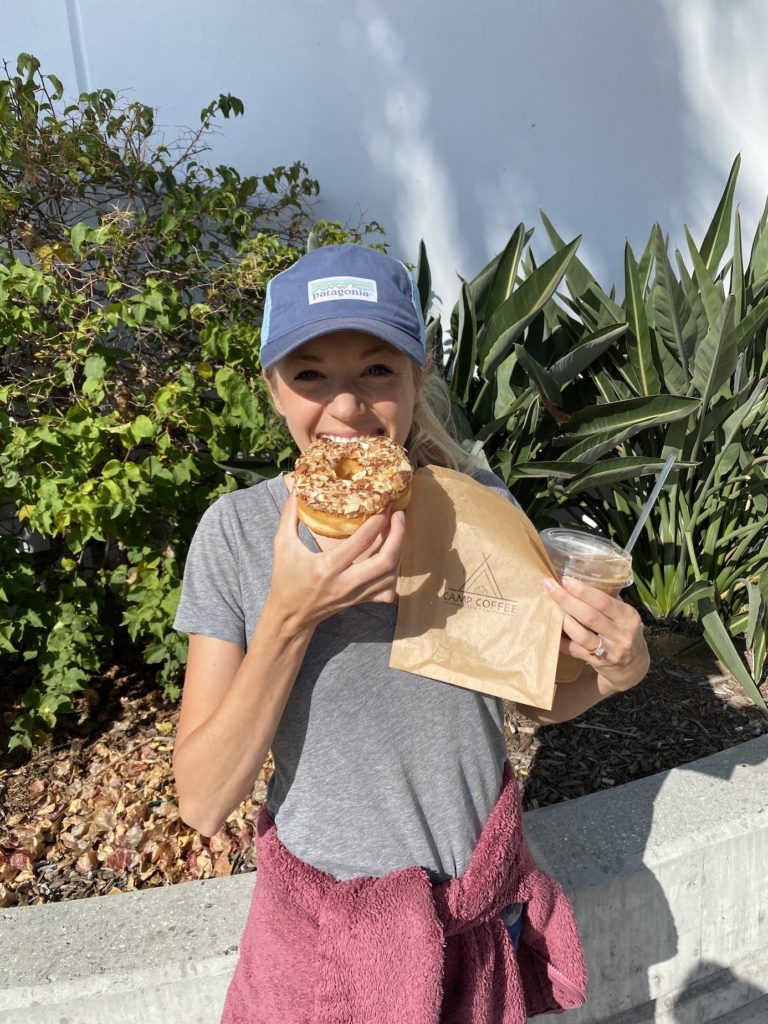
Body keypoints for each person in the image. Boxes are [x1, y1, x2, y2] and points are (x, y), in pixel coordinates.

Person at [172, 243, 650, 1024]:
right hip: (322, 937)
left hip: (474, 919)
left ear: (417, 379)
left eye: (377, 371)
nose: (348, 409)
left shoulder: (475, 508)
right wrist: (292, 614)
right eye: (310, 374)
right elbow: (203, 796)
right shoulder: (235, 533)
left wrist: (617, 668)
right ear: (274, 391)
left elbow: (533, 702)